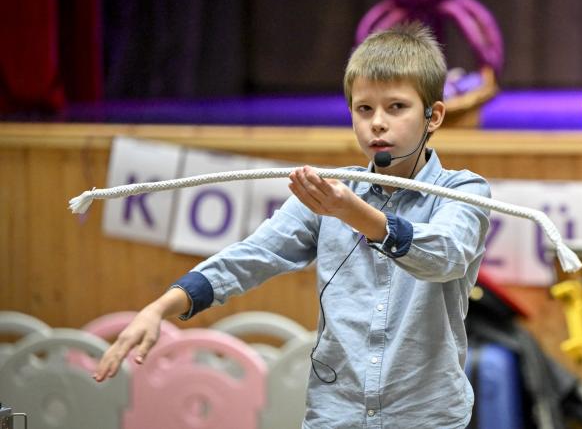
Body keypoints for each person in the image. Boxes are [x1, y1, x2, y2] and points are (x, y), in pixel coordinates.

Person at [94, 22, 491, 429]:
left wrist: (356, 215)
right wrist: (162, 306)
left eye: (396, 107)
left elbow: (445, 255)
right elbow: (251, 256)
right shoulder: (332, 195)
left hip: (427, 419)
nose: (377, 123)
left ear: (433, 115)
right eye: (364, 108)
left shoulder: (463, 191)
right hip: (335, 416)